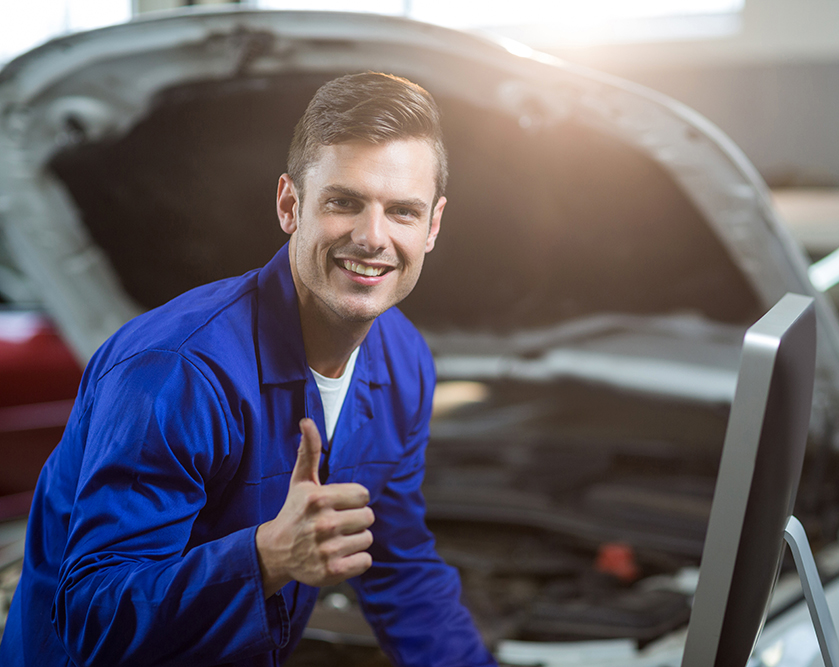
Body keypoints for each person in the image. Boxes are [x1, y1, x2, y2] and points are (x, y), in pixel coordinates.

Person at [0, 72, 497, 667]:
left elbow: (398, 565)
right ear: (291, 204)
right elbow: (91, 620)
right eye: (344, 202)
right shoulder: (173, 373)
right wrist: (266, 558)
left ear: (433, 226)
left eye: (403, 211)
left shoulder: (404, 360)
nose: (373, 237)